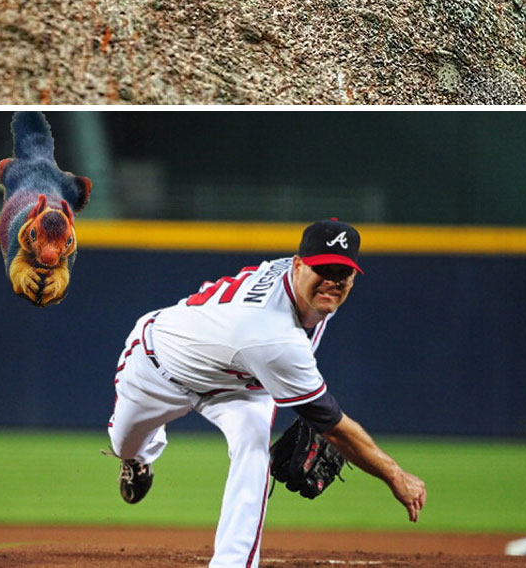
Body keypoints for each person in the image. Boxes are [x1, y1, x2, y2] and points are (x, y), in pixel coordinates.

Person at [108, 218, 426, 568]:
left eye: (342, 272)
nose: (333, 281)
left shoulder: (311, 295)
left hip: (238, 383)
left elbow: (299, 352)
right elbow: (331, 424)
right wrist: (395, 474)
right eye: (323, 269)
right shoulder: (271, 333)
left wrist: (308, 407)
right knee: (124, 443)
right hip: (157, 367)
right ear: (298, 264)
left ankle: (233, 563)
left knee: (254, 446)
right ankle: (139, 459)